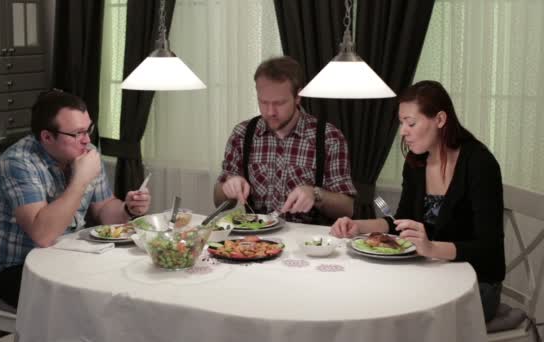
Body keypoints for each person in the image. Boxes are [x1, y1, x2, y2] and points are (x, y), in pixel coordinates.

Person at [330, 80, 505, 322]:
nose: (403, 131)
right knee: (366, 299)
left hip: (475, 287)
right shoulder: (417, 161)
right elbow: (400, 222)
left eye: (411, 123)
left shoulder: (479, 164)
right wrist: (358, 226)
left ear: (440, 120)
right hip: (431, 273)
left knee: (394, 314)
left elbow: (490, 252)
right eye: (402, 122)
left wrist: (432, 248)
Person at [0, 90, 151, 308]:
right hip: (20, 269)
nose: (87, 140)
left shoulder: (85, 151)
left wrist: (129, 209)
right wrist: (80, 180)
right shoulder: (18, 162)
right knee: (92, 304)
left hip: (69, 256)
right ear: (47, 137)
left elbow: (104, 208)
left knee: (128, 285)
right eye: (77, 133)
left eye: (88, 129)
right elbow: (43, 236)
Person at [214, 56, 355, 224]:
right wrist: (228, 187)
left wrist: (315, 194)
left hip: (310, 243)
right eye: (263, 102)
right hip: (257, 242)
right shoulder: (242, 134)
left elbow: (348, 208)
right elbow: (218, 201)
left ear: (297, 97)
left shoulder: (329, 138)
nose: (270, 112)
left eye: (279, 103)